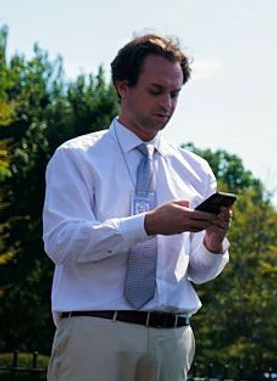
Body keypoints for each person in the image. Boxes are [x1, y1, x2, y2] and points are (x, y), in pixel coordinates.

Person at [42, 34, 231, 381]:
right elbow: (61, 243)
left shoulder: (195, 169)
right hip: (96, 333)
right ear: (123, 87)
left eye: (175, 94)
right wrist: (147, 224)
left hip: (172, 338)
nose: (167, 104)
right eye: (156, 91)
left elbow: (200, 271)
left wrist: (213, 241)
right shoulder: (77, 157)